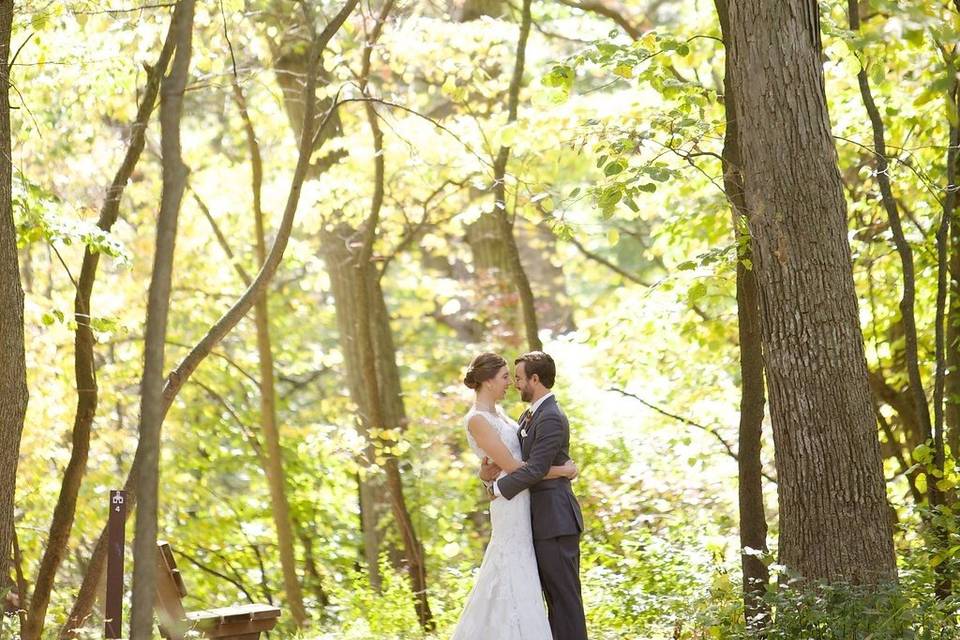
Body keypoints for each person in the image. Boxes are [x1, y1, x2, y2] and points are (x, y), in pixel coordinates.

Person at [451, 352, 578, 640]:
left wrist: (489, 479)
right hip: (511, 505)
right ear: (487, 381)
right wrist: (561, 470)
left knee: (525, 577)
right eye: (505, 377)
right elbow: (513, 467)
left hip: (526, 503)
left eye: (514, 376)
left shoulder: (504, 416)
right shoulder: (478, 420)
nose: (510, 382)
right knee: (509, 568)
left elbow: (517, 466)